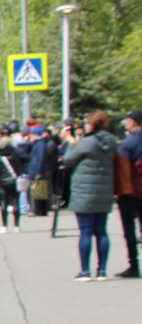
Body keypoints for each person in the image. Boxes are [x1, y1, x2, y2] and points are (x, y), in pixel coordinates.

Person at [62, 110, 120, 281]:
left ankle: (85, 271)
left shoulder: (87, 142)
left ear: (93, 124)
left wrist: (71, 143)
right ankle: (102, 271)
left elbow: (68, 160)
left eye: (87, 123)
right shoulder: (111, 142)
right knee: (102, 231)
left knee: (86, 232)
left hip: (85, 193)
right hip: (104, 192)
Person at [118, 110, 142, 278]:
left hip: (130, 192)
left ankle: (134, 265)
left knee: (129, 230)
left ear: (133, 122)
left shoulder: (128, 143)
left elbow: (123, 170)